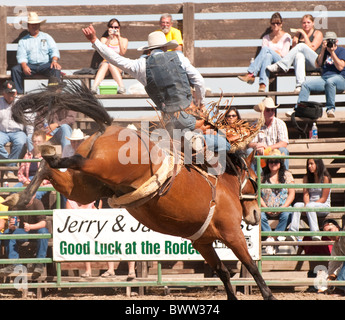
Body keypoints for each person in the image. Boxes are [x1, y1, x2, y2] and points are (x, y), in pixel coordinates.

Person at [82, 25, 240, 160]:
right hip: (188, 115)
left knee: (173, 145)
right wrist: (200, 102)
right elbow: (199, 81)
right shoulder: (179, 58)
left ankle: (187, 141)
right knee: (224, 141)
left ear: (149, 50)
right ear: (165, 47)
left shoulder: (140, 65)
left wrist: (94, 41)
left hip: (168, 120)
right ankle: (201, 141)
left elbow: (115, 59)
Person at [267, 14, 323, 93]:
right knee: (298, 56)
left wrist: (304, 34)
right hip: (303, 65)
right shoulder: (298, 35)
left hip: (316, 63)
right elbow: (293, 52)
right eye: (304, 23)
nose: (306, 24)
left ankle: (280, 65)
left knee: (301, 46)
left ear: (313, 23)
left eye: (308, 22)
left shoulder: (317, 33)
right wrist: (295, 39)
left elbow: (312, 48)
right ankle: (300, 85)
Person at [294, 31, 345, 118]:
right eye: (327, 40)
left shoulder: (341, 50)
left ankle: (330, 109)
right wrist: (322, 49)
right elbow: (318, 64)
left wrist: (332, 52)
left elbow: (340, 67)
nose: (330, 43)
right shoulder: (324, 51)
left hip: (340, 79)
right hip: (324, 78)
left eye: (331, 41)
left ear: (336, 41)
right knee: (306, 85)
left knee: (330, 81)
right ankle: (299, 109)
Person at [238, 12, 291, 92]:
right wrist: (276, 51)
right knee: (267, 56)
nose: (275, 25)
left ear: (281, 24)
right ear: (270, 24)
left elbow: (284, 54)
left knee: (266, 50)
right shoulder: (266, 37)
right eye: (273, 23)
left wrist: (273, 51)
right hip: (269, 63)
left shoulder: (286, 36)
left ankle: (251, 73)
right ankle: (262, 84)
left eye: (278, 23)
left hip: (280, 63)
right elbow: (263, 56)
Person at [11, 12, 62, 94]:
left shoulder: (47, 37)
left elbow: (54, 50)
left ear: (39, 25)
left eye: (36, 24)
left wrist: (54, 61)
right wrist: (24, 67)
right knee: (15, 70)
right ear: (28, 26)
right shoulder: (23, 41)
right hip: (30, 66)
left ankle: (53, 94)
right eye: (32, 24)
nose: (34, 26)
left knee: (55, 68)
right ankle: (19, 95)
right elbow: (21, 56)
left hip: (45, 65)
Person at [0, 198, 49, 277]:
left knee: (43, 232)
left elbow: (43, 223)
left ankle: (39, 263)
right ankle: (14, 264)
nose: (27, 197)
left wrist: (31, 226)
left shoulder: (37, 203)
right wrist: (12, 225)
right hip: (23, 231)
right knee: (8, 233)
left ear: (34, 195)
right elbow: (13, 221)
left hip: (35, 231)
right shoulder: (18, 203)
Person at [260, 149, 294, 255]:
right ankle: (272, 239)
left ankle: (272, 240)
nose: (273, 164)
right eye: (271, 161)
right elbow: (258, 194)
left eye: (276, 161)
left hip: (283, 206)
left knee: (287, 213)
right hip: (266, 207)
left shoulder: (287, 175)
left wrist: (283, 207)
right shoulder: (262, 176)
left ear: (280, 162)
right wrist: (265, 207)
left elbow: (291, 194)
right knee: (259, 215)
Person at [289, 158, 332, 240]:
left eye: (311, 164)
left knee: (310, 206)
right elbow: (306, 194)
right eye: (308, 164)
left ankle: (315, 234)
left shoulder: (325, 178)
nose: (309, 166)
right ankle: (293, 233)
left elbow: (323, 198)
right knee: (297, 205)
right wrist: (306, 206)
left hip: (323, 206)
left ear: (318, 164)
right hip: (310, 205)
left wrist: (308, 206)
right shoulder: (306, 177)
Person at [0, 80, 33, 179]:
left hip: (18, 131)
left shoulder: (22, 103)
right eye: (9, 92)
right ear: (3, 93)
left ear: (16, 92)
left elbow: (29, 119)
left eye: (13, 92)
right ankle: (10, 165)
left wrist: (30, 134)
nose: (11, 94)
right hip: (2, 131)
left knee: (20, 142)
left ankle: (9, 169)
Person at [247, 97, 290, 169]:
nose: (271, 112)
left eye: (272, 110)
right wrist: (258, 145)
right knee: (249, 151)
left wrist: (267, 148)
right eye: (268, 110)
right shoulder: (255, 125)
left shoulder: (280, 123)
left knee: (283, 150)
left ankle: (283, 176)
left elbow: (284, 143)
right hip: (260, 155)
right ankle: (254, 178)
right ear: (262, 111)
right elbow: (249, 143)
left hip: (275, 154)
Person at [91, 18, 128, 94]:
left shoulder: (124, 40)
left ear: (119, 28)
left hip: (118, 65)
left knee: (111, 63)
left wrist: (118, 38)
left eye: (116, 27)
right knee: (106, 63)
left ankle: (121, 87)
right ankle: (94, 87)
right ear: (108, 28)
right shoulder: (104, 39)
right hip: (106, 65)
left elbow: (122, 53)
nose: (114, 29)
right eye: (111, 27)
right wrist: (110, 39)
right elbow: (103, 51)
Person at [16, 130, 53, 200]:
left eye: (39, 142)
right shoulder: (27, 155)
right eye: (34, 141)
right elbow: (20, 173)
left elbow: (52, 174)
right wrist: (25, 181)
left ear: (44, 142)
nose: (36, 144)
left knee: (34, 195)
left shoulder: (48, 156)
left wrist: (42, 181)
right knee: (14, 191)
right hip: (28, 180)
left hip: (42, 182)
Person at [322, 219, 345, 296]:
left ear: (337, 227)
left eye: (330, 230)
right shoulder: (336, 245)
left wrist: (333, 275)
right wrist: (329, 277)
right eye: (326, 233)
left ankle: (340, 288)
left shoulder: (343, 238)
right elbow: (333, 263)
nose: (329, 234)